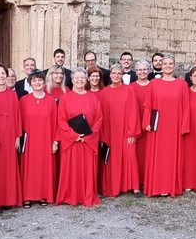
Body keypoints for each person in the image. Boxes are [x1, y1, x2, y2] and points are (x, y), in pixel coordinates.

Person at [143, 55, 190, 197]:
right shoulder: (153, 83)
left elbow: (186, 106)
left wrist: (184, 126)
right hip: (158, 126)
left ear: (174, 66)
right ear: (160, 66)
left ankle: (170, 186)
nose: (168, 66)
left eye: (171, 63)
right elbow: (147, 105)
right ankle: (156, 186)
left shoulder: (182, 84)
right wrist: (146, 122)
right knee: (158, 156)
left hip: (174, 127)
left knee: (171, 156)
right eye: (165, 63)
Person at [55, 67, 103, 206]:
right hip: (72, 141)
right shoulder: (65, 98)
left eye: (82, 78)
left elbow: (99, 118)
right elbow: (61, 120)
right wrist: (74, 135)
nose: (80, 80)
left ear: (86, 79)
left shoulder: (92, 97)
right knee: (72, 170)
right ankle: (72, 195)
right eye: (77, 78)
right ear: (72, 80)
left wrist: (88, 135)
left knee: (87, 170)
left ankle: (87, 195)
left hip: (88, 141)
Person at [99, 64, 141, 197]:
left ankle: (134, 187)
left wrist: (131, 131)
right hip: (110, 131)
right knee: (112, 158)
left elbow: (133, 111)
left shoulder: (129, 90)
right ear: (110, 75)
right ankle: (114, 186)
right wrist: (102, 135)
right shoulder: (104, 92)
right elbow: (101, 115)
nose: (116, 75)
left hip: (125, 130)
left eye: (119, 73)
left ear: (122, 75)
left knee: (129, 156)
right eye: (114, 73)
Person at [19, 69, 57, 208]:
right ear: (30, 82)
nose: (37, 82)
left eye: (40, 80)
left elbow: (55, 122)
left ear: (44, 82)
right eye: (34, 80)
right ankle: (27, 196)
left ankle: (43, 194)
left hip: (46, 139)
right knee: (29, 168)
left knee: (43, 167)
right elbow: (19, 122)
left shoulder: (51, 100)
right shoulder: (24, 100)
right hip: (29, 141)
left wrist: (54, 141)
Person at [0, 64, 22, 213]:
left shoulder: (12, 94)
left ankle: (8, 199)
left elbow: (17, 115)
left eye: (3, 73)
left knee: (8, 168)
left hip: (9, 134)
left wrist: (18, 136)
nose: (1, 76)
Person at [130, 60, 151, 187]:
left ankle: (149, 179)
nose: (142, 72)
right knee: (137, 154)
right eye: (139, 70)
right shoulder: (130, 87)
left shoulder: (154, 85)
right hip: (136, 125)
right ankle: (137, 180)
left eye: (144, 69)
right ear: (136, 72)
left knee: (149, 153)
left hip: (150, 125)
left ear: (148, 71)